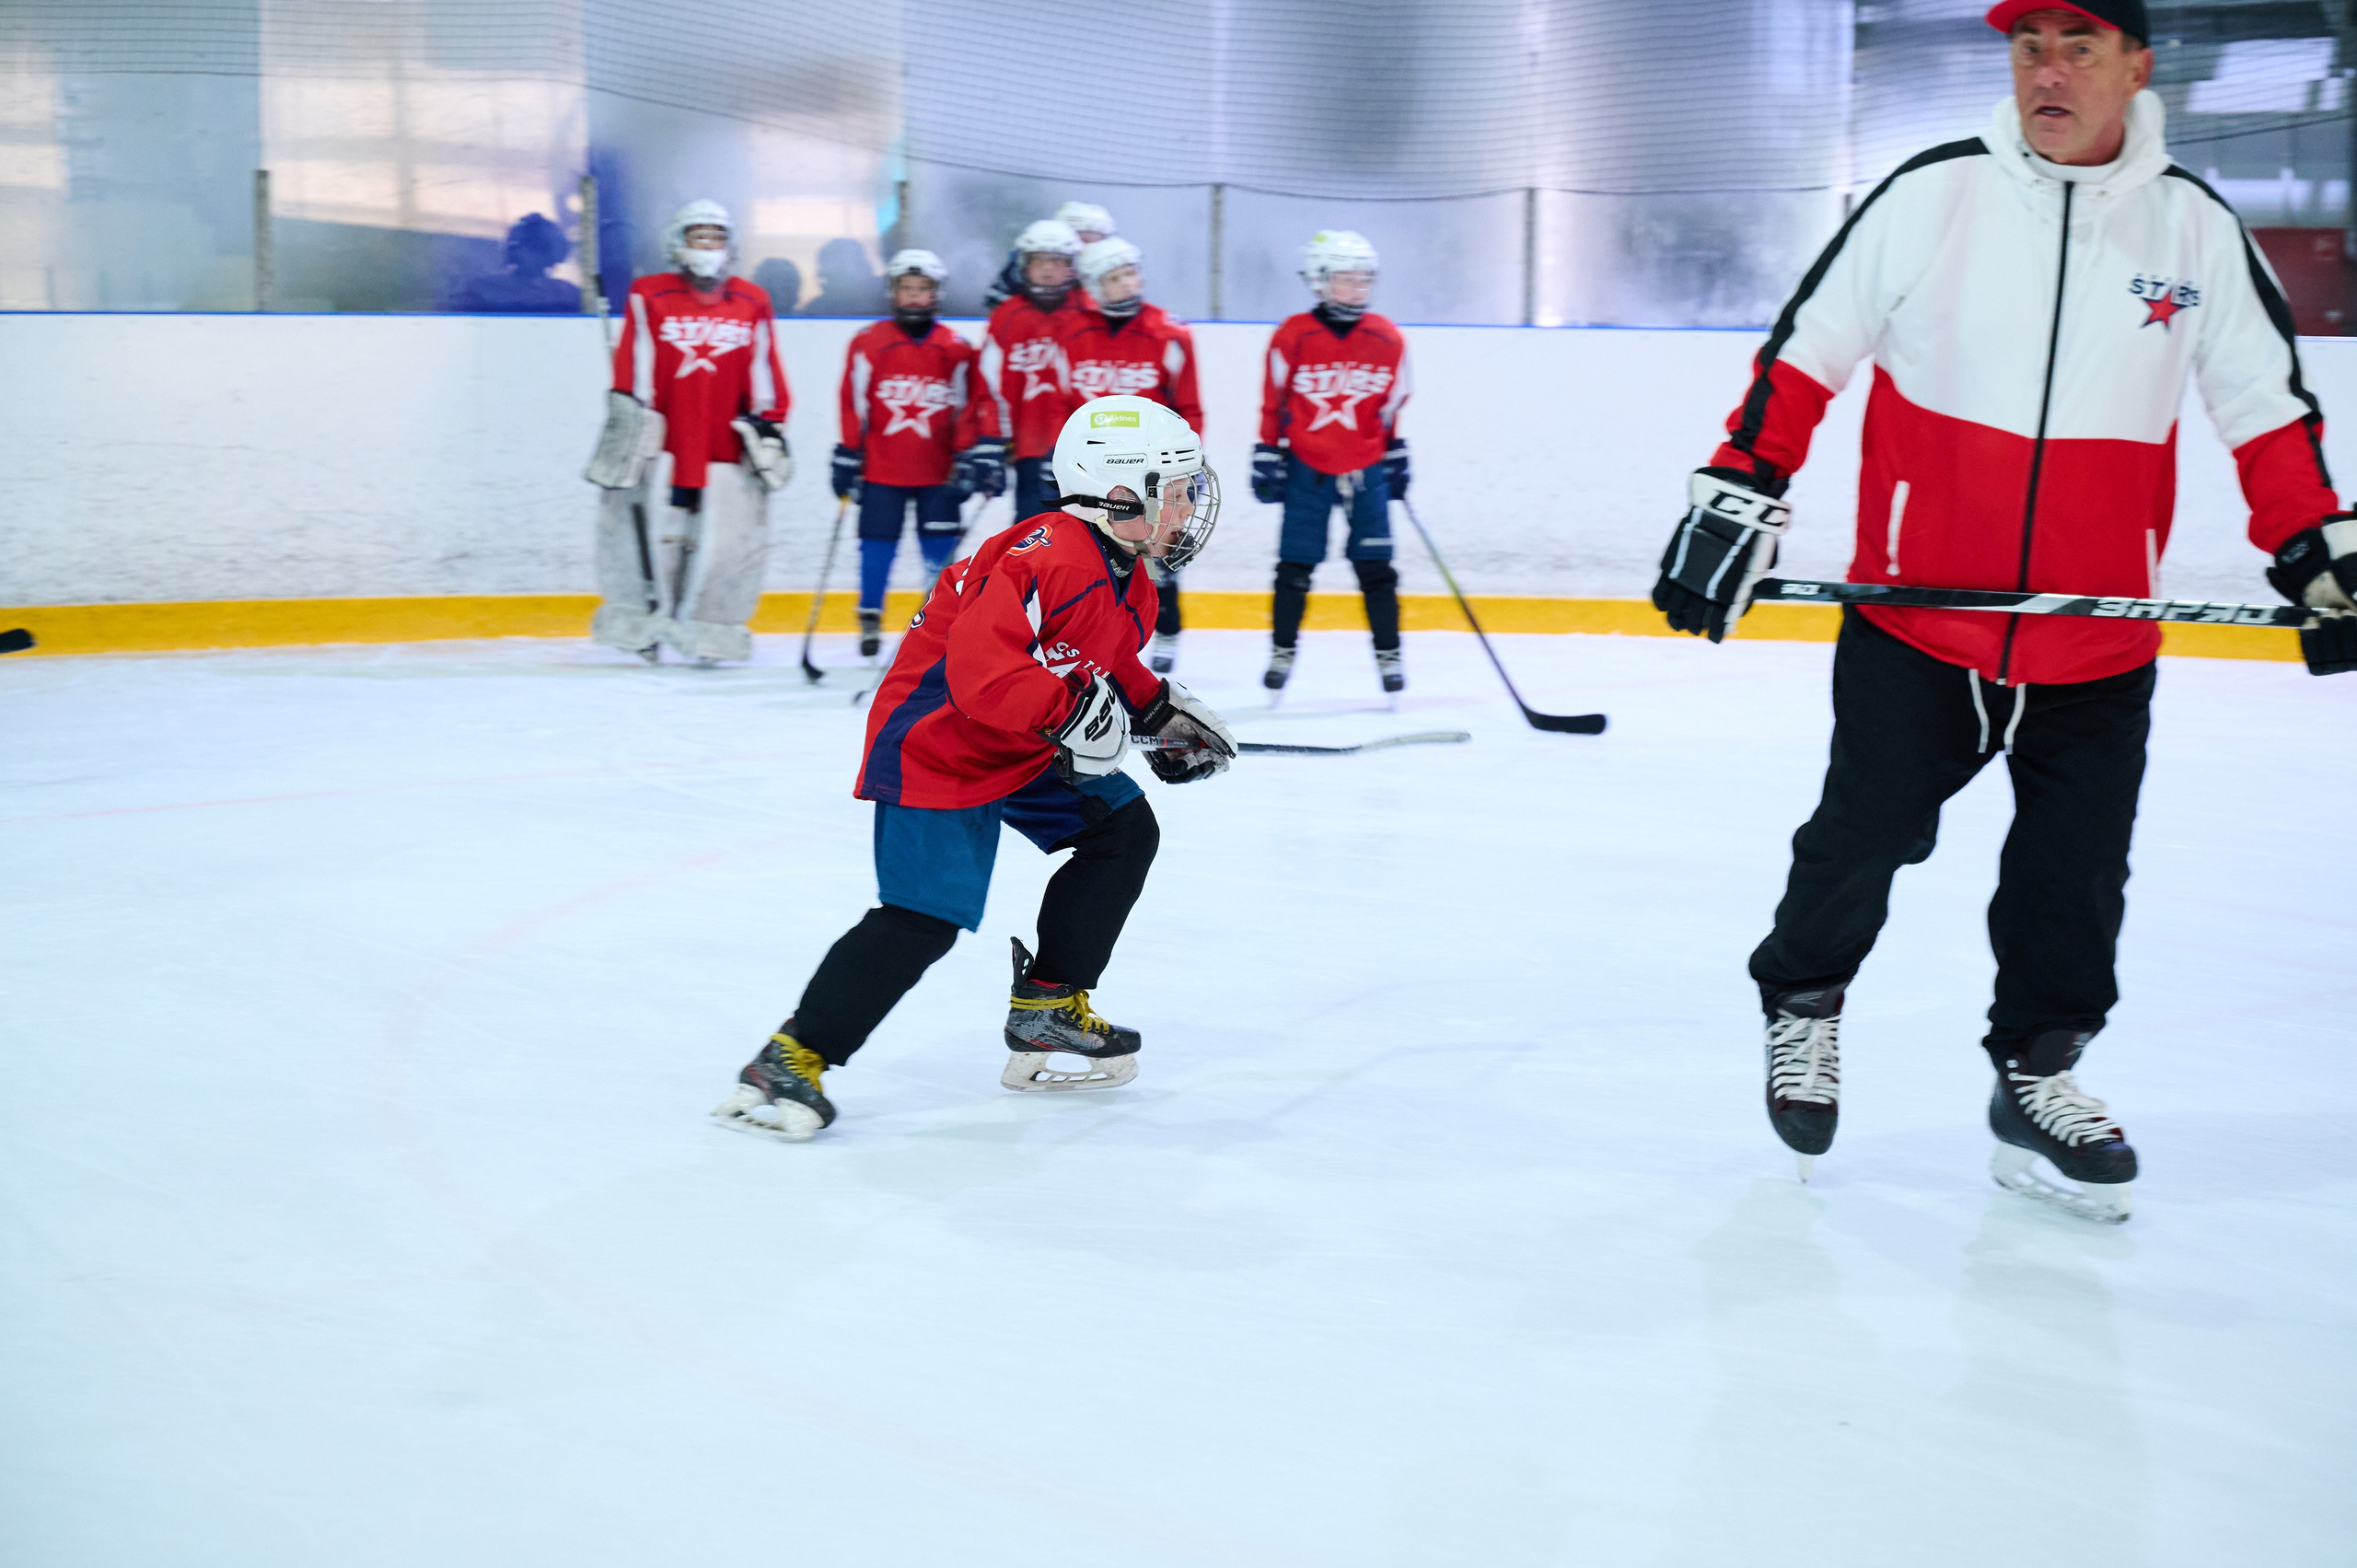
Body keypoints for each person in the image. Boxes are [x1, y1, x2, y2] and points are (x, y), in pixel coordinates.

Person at [1651, 0, 2357, 1224]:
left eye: (2078, 47)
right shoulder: (1932, 194)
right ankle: (1803, 1002)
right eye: (2029, 47)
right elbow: (1808, 351)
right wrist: (1741, 487)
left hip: (2096, 634)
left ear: (2136, 66)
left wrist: (2315, 550)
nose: (2048, 71)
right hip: (1918, 618)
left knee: (2073, 880)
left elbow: (2265, 407)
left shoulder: (2192, 227)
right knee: (1861, 838)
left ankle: (2038, 1069)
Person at [713, 395, 1237, 1140]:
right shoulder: (1046, 556)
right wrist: (1069, 714)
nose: (1188, 508)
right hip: (940, 746)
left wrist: (1159, 715)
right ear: (1120, 493)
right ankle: (791, 1057)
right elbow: (981, 676)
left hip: (1018, 741)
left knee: (1122, 830)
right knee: (925, 918)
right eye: (1176, 490)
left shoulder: (1127, 573)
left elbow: (1106, 653)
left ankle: (1049, 1006)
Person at [584, 199, 792, 665]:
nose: (707, 246)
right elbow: (634, 364)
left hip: (725, 444)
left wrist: (768, 424)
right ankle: (637, 622)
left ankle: (712, 630)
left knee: (726, 542)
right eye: (698, 237)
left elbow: (764, 369)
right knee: (649, 533)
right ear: (677, 244)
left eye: (716, 238)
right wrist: (628, 415)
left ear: (730, 246)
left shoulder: (752, 299)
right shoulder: (649, 293)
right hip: (662, 441)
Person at [1252, 230, 1412, 697]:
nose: (1359, 287)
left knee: (1377, 568)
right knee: (1295, 567)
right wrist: (1267, 451)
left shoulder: (1387, 336)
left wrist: (1395, 450)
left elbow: (1392, 402)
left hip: (1368, 468)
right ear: (1320, 281)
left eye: (1365, 278)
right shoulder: (1293, 334)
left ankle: (1389, 654)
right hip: (1307, 468)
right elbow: (1274, 400)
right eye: (1347, 278)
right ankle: (1282, 651)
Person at [832, 250, 998, 658]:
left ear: (936, 293)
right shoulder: (868, 342)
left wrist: (969, 454)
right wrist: (849, 452)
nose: (913, 296)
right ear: (892, 292)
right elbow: (854, 402)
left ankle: (940, 621)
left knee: (939, 554)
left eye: (922, 289)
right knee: (876, 544)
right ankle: (870, 614)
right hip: (880, 469)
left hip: (940, 473)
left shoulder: (956, 347)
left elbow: (969, 404)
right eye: (905, 288)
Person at [1053, 237, 1202, 673]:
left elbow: (1189, 406)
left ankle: (1166, 628)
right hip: (1098, 471)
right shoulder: (1072, 334)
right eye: (1114, 278)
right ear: (1094, 287)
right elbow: (1062, 404)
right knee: (1094, 552)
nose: (1127, 284)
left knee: (1160, 548)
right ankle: (1094, 631)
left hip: (1154, 469)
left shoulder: (1169, 334)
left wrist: (1187, 463)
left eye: (1130, 273)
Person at [978, 219, 1083, 528]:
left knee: (1087, 534)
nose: (1048, 269)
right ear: (1024, 266)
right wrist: (994, 440)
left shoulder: (1091, 312)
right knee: (1032, 531)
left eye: (1057, 261)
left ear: (1071, 267)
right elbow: (991, 385)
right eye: (1039, 261)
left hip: (1083, 452)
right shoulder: (1007, 316)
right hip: (1029, 449)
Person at [982, 200, 1116, 308]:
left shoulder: (1108, 272)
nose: (1089, 249)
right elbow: (998, 302)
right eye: (1083, 240)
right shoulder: (1027, 266)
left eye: (1099, 243)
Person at [451, 213, 582, 313]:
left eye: (539, 247)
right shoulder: (485, 290)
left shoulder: (568, 294)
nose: (534, 253)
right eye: (528, 245)